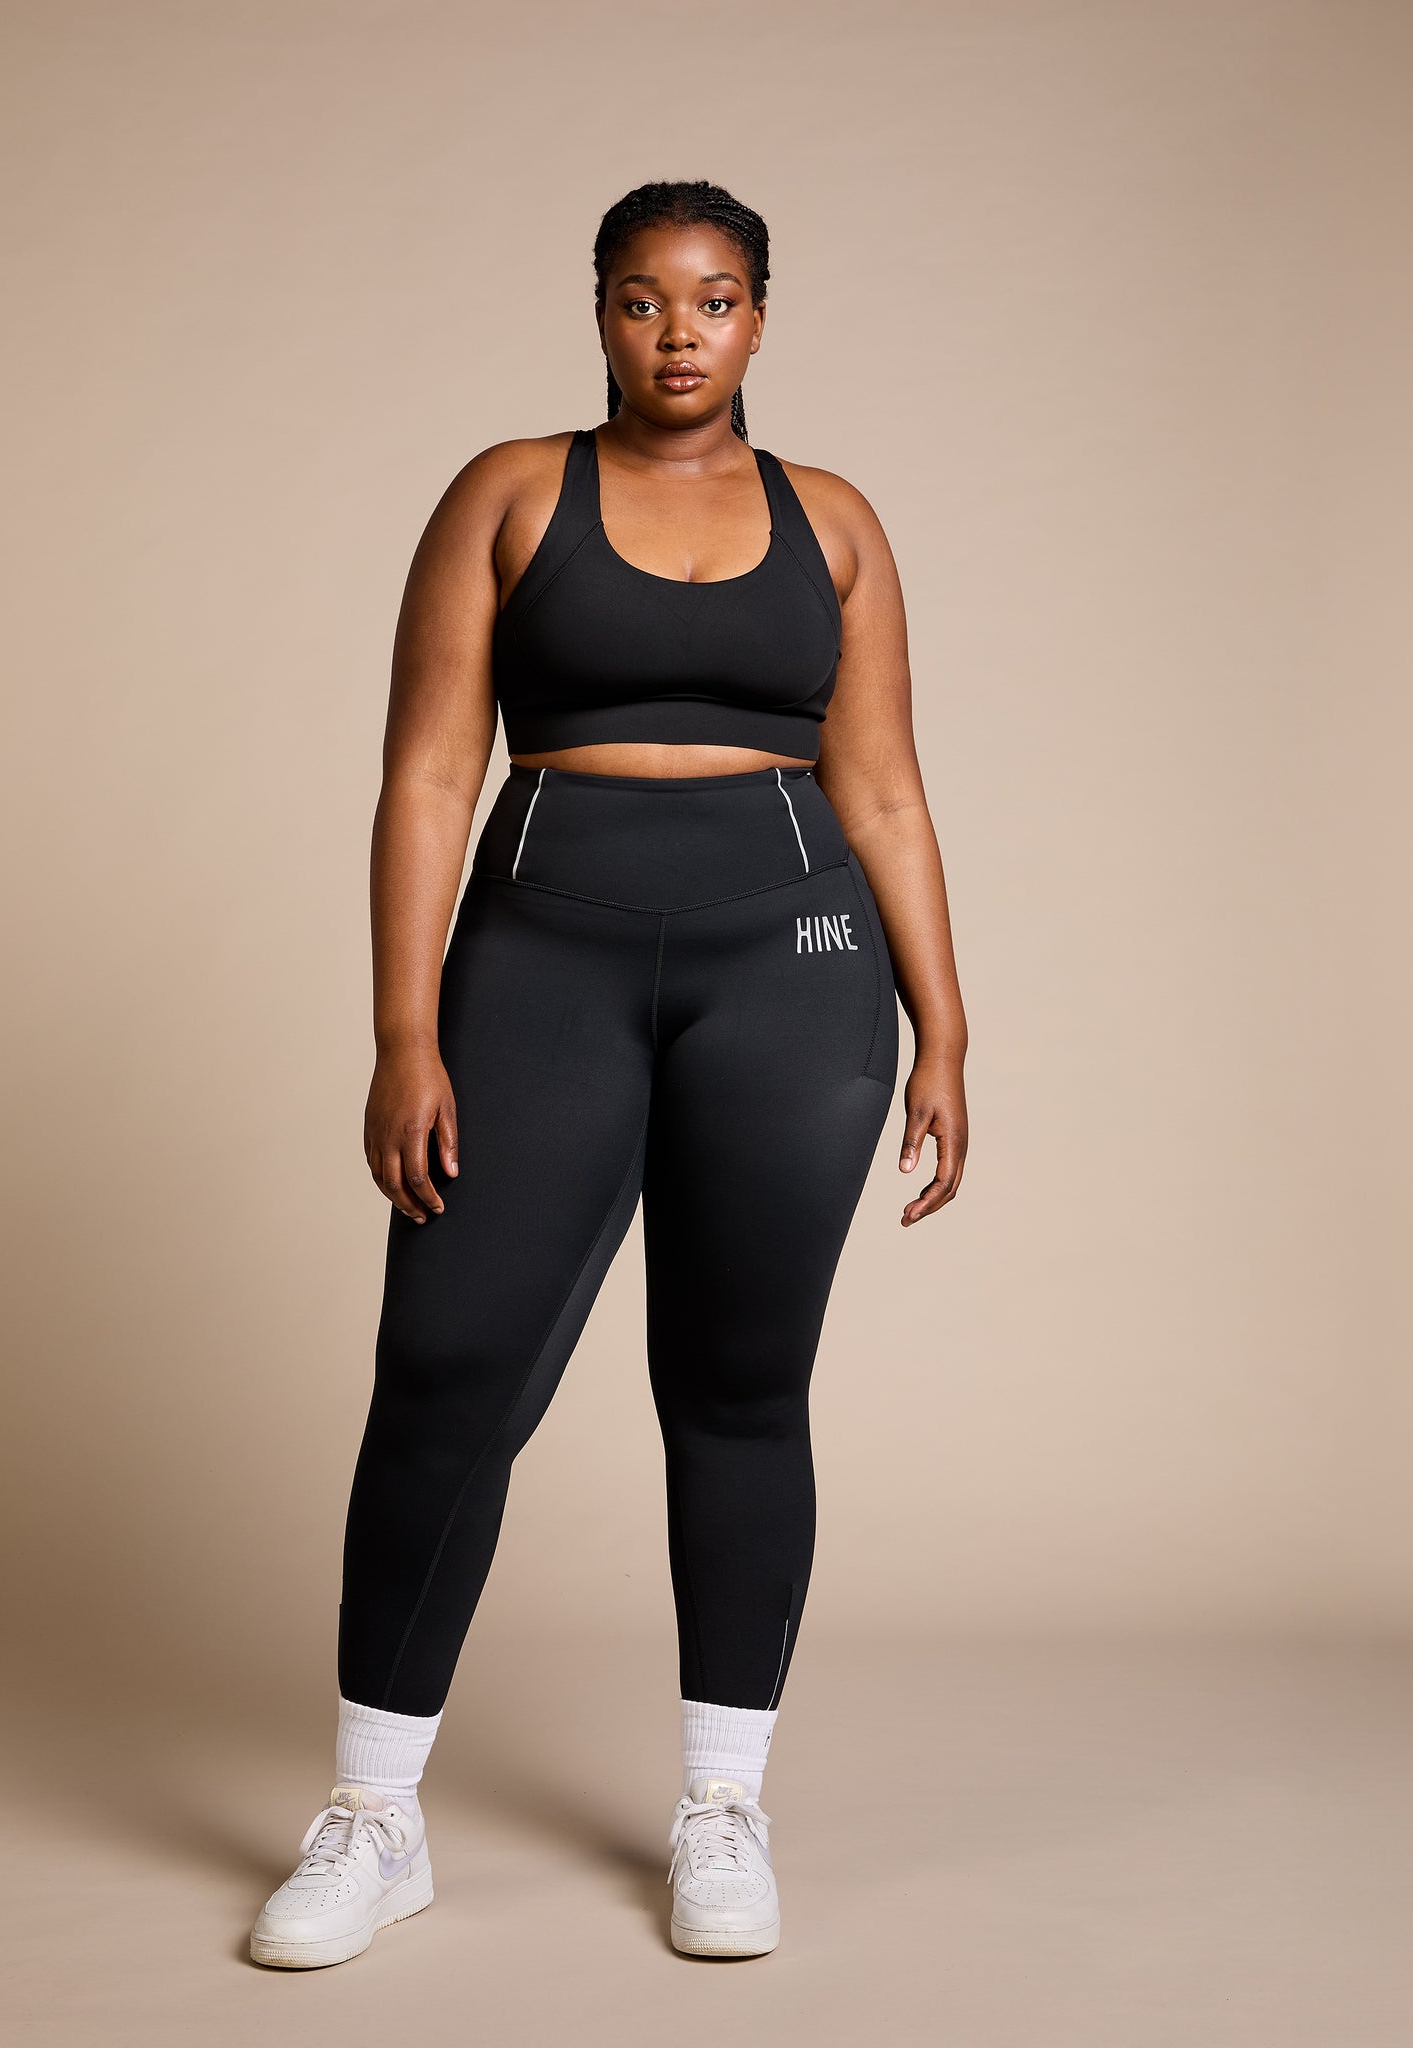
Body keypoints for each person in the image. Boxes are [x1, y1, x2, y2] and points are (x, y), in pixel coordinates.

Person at [249, 178, 968, 1968]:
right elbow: (430, 772)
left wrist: (945, 1025)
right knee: (445, 1373)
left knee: (739, 1386)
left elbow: (882, 785)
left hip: (793, 966)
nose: (678, 332)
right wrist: (403, 1030)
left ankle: (722, 1808)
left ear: (759, 317)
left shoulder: (835, 520)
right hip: (539, 962)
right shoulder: (507, 494)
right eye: (644, 300)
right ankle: (373, 1817)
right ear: (598, 314)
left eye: (713, 300)